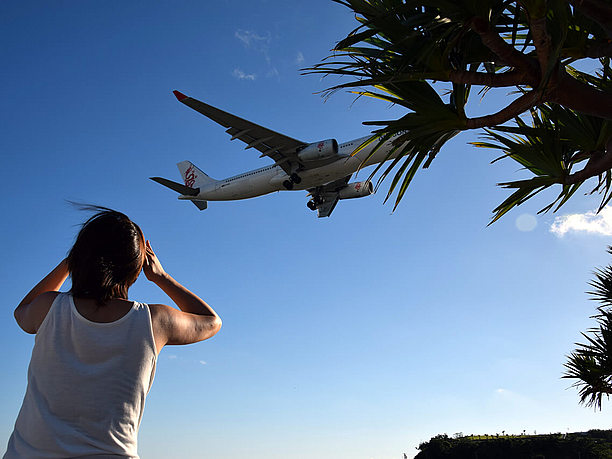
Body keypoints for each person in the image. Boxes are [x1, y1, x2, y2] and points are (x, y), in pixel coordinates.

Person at [3, 207, 221, 459]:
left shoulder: (48, 308)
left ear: (79, 258)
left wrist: (69, 262)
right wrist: (162, 277)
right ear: (137, 269)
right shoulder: (155, 320)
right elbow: (211, 321)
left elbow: (22, 310)